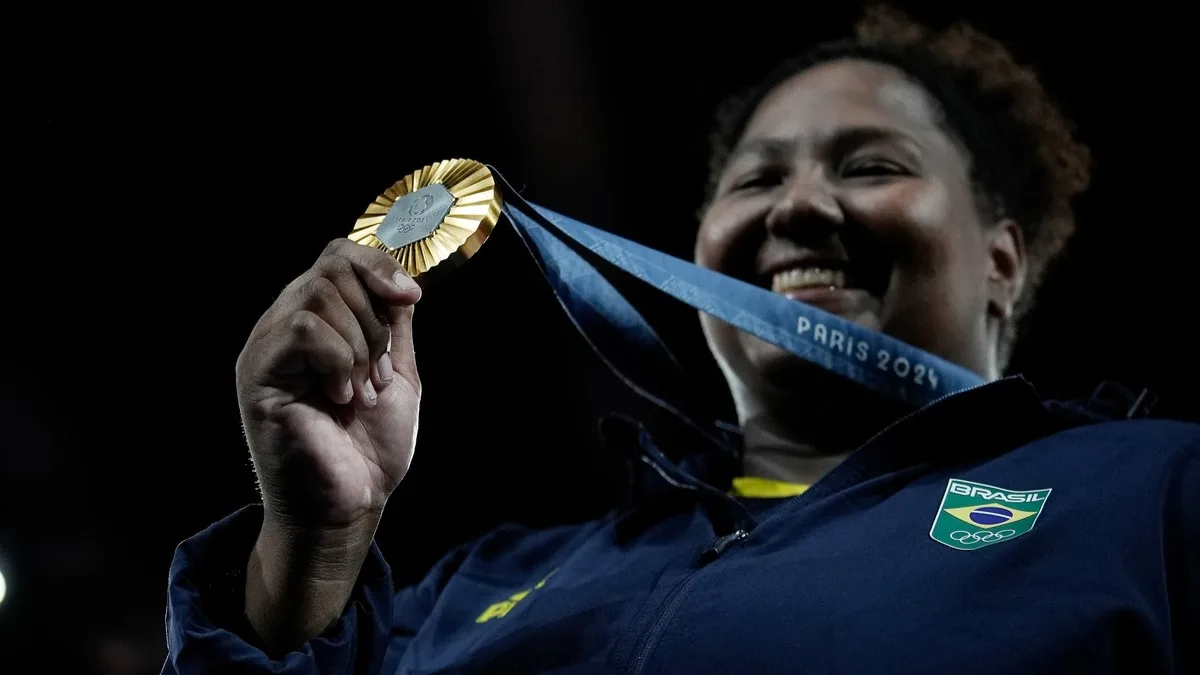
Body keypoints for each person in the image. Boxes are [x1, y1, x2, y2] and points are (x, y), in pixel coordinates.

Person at [162, 5, 1199, 674]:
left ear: (1004, 258)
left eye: (871, 164)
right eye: (754, 179)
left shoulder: (1151, 496)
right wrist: (316, 538)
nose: (798, 205)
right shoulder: (479, 586)